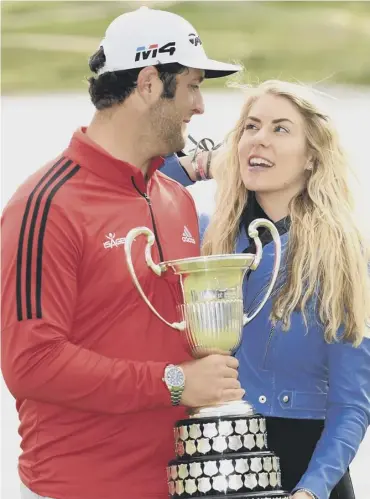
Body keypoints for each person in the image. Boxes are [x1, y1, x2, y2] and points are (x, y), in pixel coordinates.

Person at [1, 7, 244, 499]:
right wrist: (175, 382)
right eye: (193, 86)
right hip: (77, 489)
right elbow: (31, 362)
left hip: (181, 485)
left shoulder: (173, 199)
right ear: (150, 82)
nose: (199, 106)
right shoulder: (44, 205)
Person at [160, 79, 370, 499]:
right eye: (251, 127)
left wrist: (311, 489)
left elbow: (352, 403)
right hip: (215, 459)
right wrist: (200, 163)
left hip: (307, 471)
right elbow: (134, 184)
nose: (260, 140)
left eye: (280, 129)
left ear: (312, 156)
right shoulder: (207, 235)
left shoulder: (342, 252)